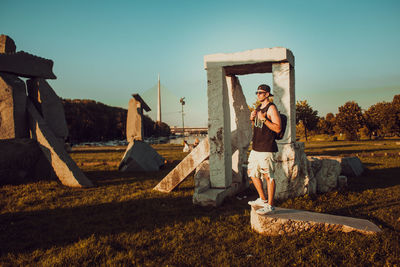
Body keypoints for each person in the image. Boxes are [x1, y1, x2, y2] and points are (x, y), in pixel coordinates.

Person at [247, 84, 281, 215]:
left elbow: (277, 128)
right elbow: (258, 126)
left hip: (267, 148)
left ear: (267, 94)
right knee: (252, 173)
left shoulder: (271, 108)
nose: (258, 94)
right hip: (256, 148)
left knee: (268, 177)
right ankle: (263, 199)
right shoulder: (258, 108)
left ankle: (271, 205)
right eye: (257, 92)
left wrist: (264, 119)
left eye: (260, 92)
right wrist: (252, 119)